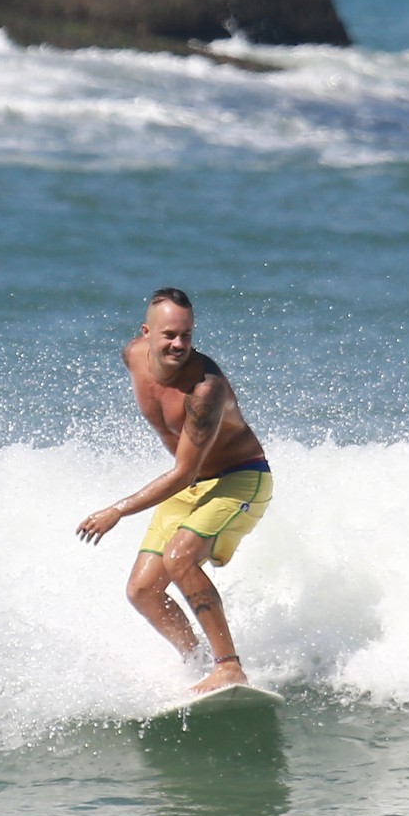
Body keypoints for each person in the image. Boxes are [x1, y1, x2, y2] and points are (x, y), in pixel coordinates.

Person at [76, 288, 274, 694]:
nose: (179, 344)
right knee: (143, 590)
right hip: (193, 484)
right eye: (168, 335)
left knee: (179, 557)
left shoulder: (205, 390)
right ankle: (196, 662)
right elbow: (185, 475)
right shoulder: (133, 356)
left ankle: (229, 667)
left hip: (241, 477)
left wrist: (117, 510)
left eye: (186, 335)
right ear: (146, 333)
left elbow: (184, 471)